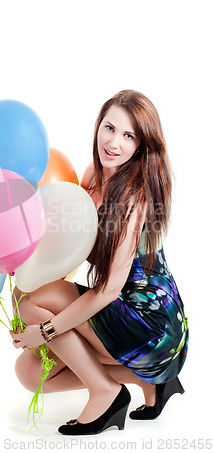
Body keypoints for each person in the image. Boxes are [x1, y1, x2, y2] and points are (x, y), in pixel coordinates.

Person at [10, 90, 188, 435]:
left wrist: (45, 328)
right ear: (98, 126)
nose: (114, 143)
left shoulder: (136, 198)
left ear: (141, 145)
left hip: (151, 325)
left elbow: (106, 291)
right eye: (109, 128)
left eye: (128, 135)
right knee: (31, 374)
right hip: (121, 313)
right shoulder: (94, 175)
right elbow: (68, 250)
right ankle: (150, 381)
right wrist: (30, 321)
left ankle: (106, 393)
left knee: (35, 302)